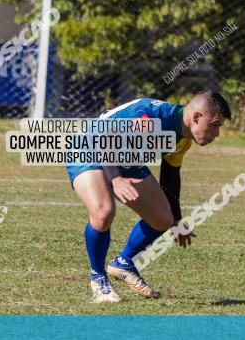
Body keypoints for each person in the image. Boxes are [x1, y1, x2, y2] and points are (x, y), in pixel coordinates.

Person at [67, 90, 230, 303]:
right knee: (103, 212)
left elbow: (171, 174)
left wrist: (177, 219)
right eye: (215, 124)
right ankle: (98, 278)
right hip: (90, 149)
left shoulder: (183, 139)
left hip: (126, 158)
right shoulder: (150, 118)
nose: (216, 134)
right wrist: (116, 179)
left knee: (163, 218)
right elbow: (106, 139)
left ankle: (123, 263)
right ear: (197, 117)